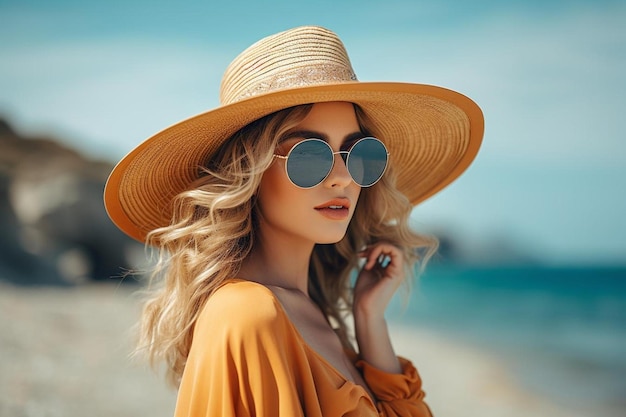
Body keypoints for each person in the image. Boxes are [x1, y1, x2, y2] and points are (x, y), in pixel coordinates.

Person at [104, 25, 484, 416]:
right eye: (309, 155)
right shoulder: (248, 314)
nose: (342, 176)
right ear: (247, 172)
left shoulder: (309, 314)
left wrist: (370, 323)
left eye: (358, 152)